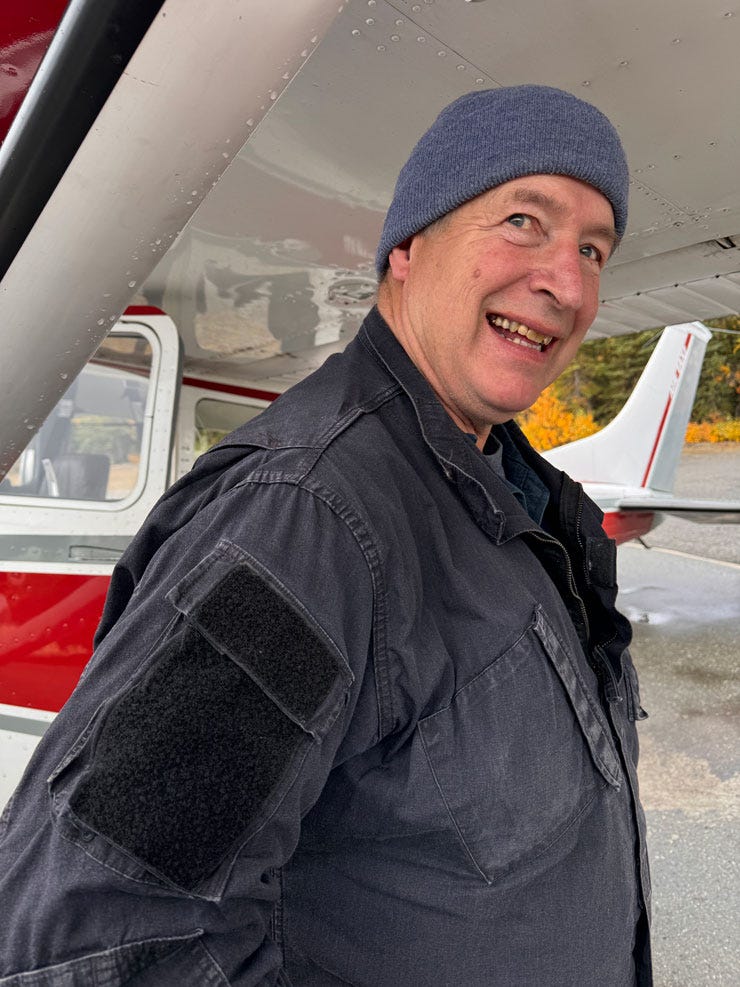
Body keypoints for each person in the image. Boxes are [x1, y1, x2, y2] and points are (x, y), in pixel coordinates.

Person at [0, 85, 651, 986]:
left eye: (593, 248)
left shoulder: (509, 493)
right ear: (408, 248)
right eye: (523, 221)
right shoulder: (309, 515)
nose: (571, 284)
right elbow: (99, 935)